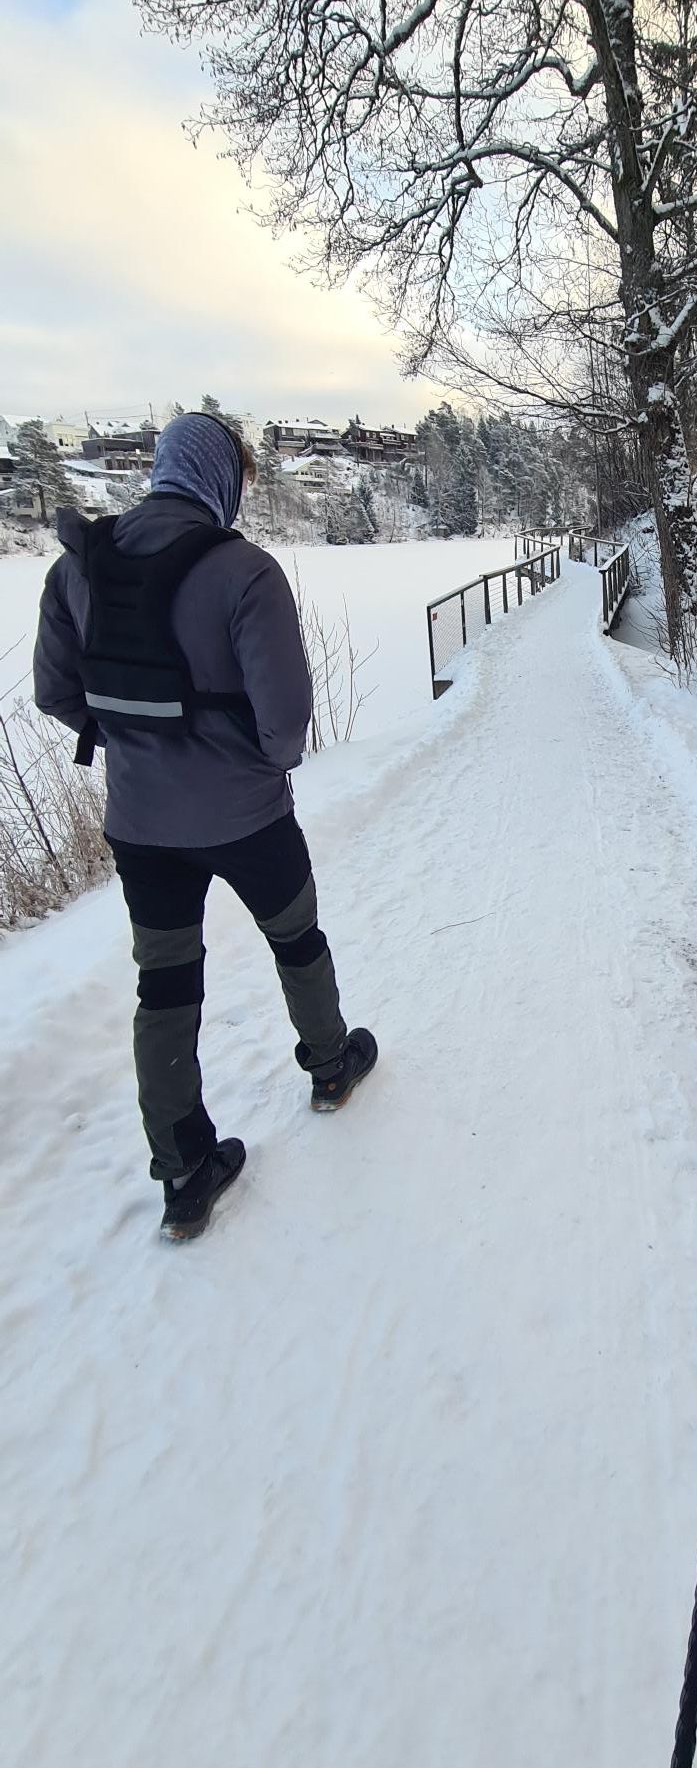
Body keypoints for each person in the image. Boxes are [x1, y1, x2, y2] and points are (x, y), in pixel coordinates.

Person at [33, 411, 376, 1240]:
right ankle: (331, 1066)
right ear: (222, 477)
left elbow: (56, 693)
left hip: (140, 824)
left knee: (165, 980)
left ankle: (185, 1169)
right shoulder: (245, 572)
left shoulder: (78, 568)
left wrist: (132, 742)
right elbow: (286, 725)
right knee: (296, 938)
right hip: (248, 816)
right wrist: (252, 764)